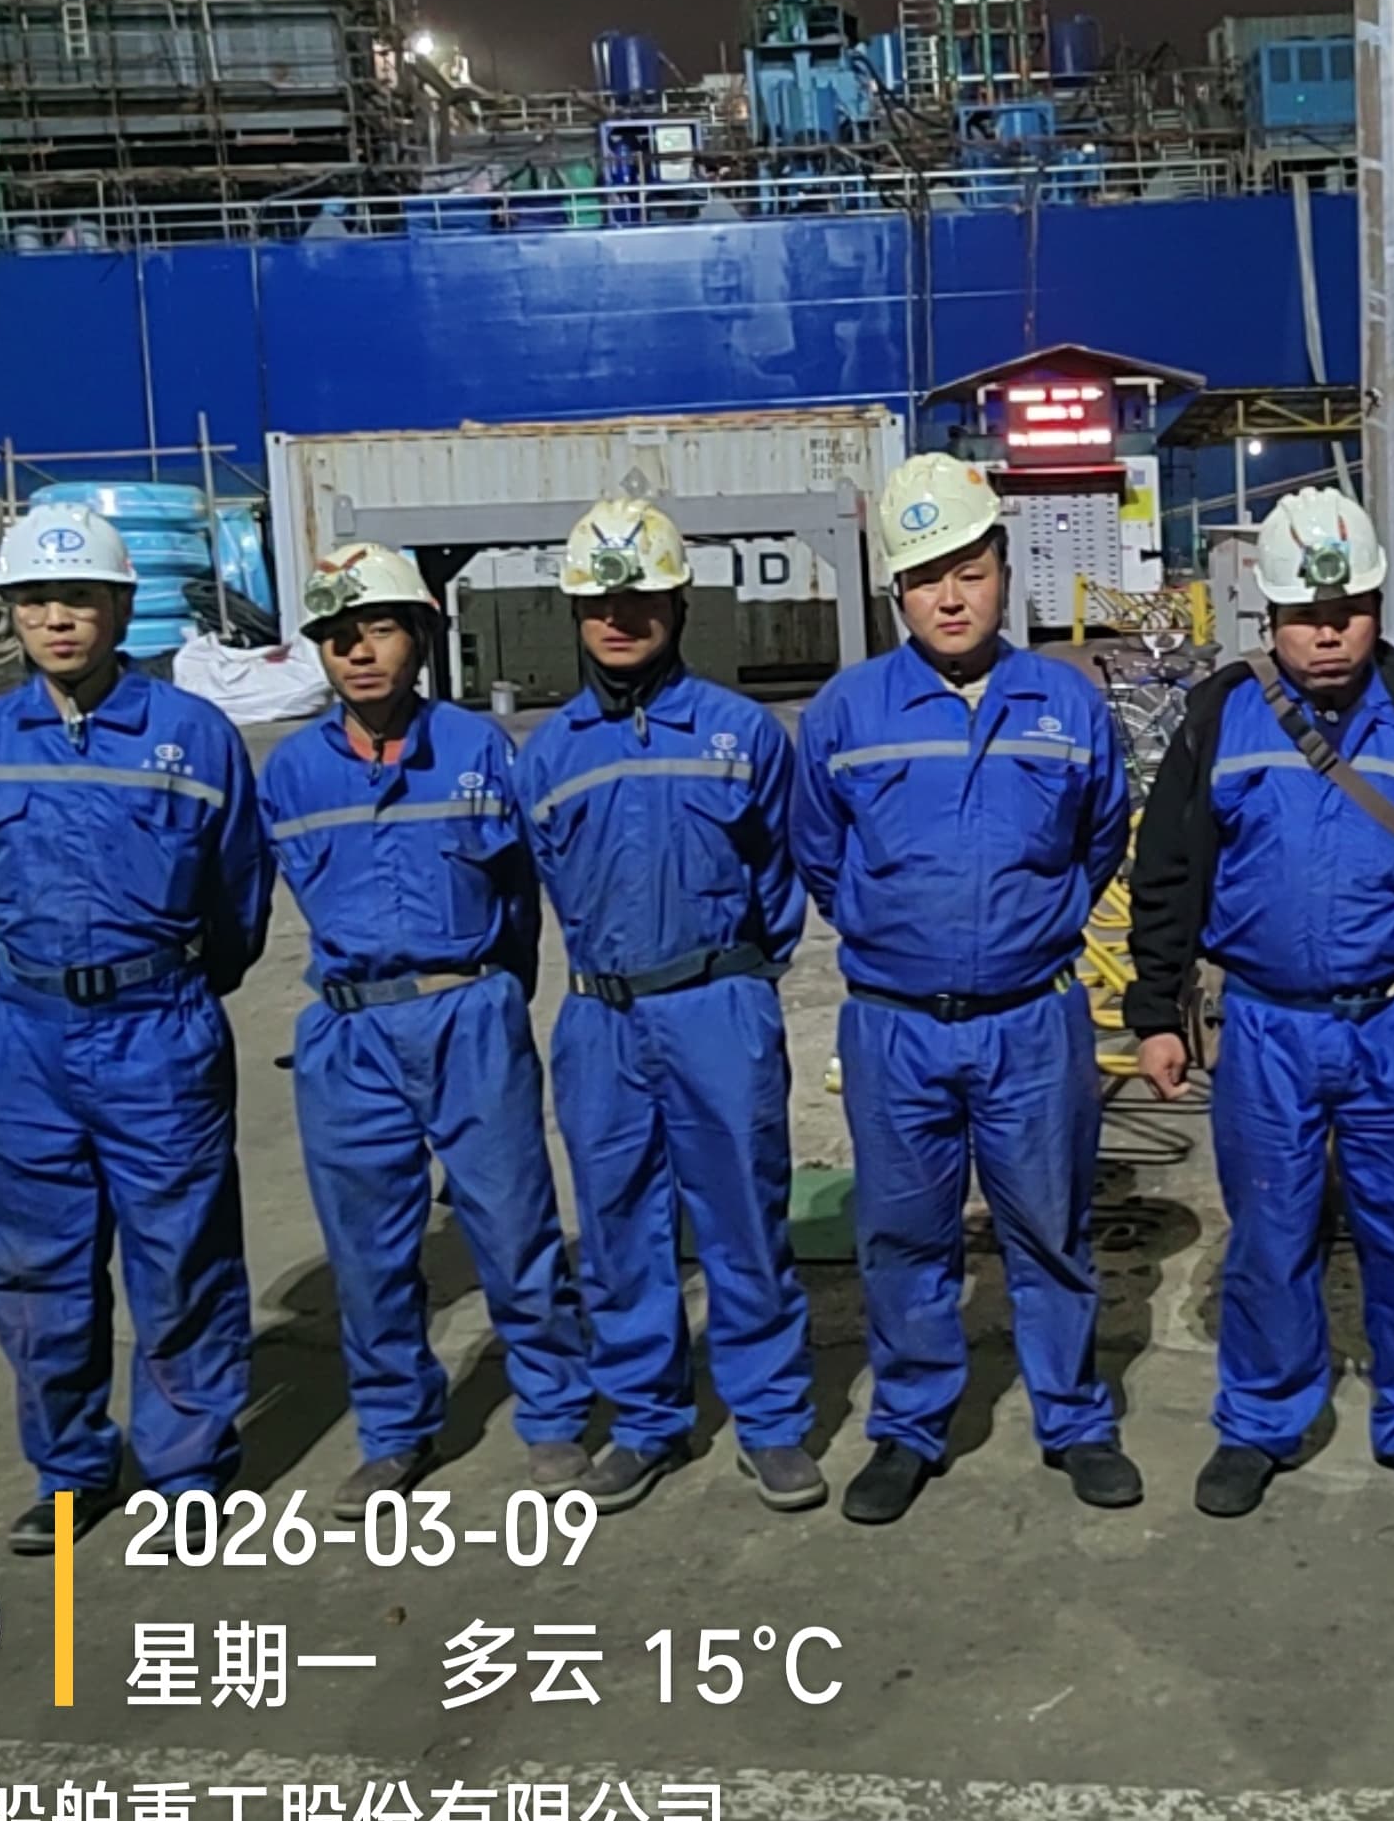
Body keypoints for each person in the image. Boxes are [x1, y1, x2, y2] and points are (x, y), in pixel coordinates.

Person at [792, 453, 1138, 1524]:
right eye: (924, 577)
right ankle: (910, 1424)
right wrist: (904, 937)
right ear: (896, 591)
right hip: (896, 1026)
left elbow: (1099, 840)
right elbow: (819, 856)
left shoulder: (1067, 704)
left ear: (1003, 571)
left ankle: (1074, 1419)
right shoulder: (847, 712)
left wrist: (1022, 934)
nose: (949, 597)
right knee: (905, 1236)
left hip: (1031, 1020)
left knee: (1050, 1227)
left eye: (969, 571)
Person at [1125, 487, 1394, 1518]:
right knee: (1270, 1232)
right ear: (1270, 615)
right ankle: (1263, 1419)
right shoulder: (1219, 716)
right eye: (1305, 615)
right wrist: (1155, 1010)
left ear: (1375, 607)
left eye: (1348, 611)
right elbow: (1168, 869)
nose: (1328, 633)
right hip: (1267, 1024)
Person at [0, 503, 274, 1558]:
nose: (58, 620)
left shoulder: (195, 737)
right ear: (11, 613)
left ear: (123, 608)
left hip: (157, 1031)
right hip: (25, 1037)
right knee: (34, 1267)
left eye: (79, 598)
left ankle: (185, 1472)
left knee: (182, 1258)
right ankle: (71, 1470)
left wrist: (166, 985)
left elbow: (238, 899)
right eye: (36, 600)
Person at [258, 544, 591, 1520]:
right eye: (337, 636)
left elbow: (522, 901)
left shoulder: (482, 751)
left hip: (470, 1013)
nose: (359, 652)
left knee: (514, 1226)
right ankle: (395, 1431)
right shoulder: (292, 774)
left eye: (380, 629)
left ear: (422, 637)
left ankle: (553, 1412)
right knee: (368, 1251)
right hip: (350, 1033)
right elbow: (250, 905)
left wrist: (496, 999)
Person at [513, 500, 823, 1515]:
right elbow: (539, 888)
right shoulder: (546, 755)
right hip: (600, 1020)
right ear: (574, 612)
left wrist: (735, 983)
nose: (619, 618)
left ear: (680, 602)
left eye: (641, 598)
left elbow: (780, 880)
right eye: (599, 602)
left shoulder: (744, 733)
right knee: (617, 1229)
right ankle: (646, 1420)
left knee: (744, 1220)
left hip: (716, 1006)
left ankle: (772, 1421)